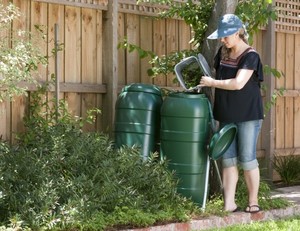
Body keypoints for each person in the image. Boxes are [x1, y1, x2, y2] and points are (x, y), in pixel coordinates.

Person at [199, 14, 264, 213]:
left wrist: (212, 83)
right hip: (226, 114)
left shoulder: (251, 56)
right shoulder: (223, 52)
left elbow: (237, 83)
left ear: (238, 32)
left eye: (226, 36)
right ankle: (229, 204)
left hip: (248, 115)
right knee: (228, 160)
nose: (223, 40)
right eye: (221, 36)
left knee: (247, 159)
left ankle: (253, 202)